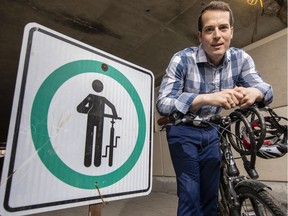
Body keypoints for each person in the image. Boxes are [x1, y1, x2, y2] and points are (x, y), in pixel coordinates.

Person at [156, 1, 273, 216]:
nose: (217, 35)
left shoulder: (240, 59)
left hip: (212, 130)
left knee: (210, 198)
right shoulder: (182, 59)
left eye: (223, 28)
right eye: (209, 29)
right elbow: (163, 103)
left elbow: (264, 87)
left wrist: (255, 93)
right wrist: (205, 98)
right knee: (191, 196)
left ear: (231, 32)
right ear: (200, 36)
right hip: (183, 130)